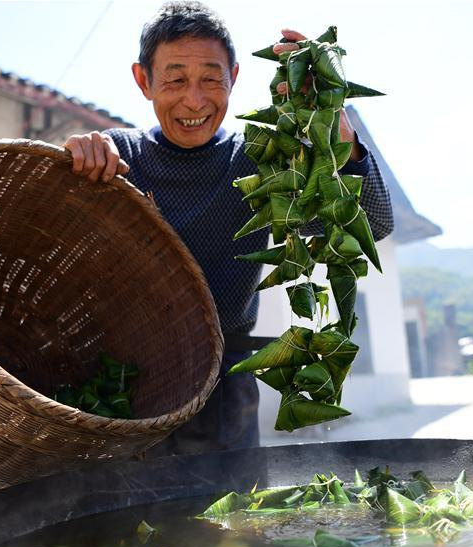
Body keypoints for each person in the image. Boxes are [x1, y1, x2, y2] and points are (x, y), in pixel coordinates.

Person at [64, 1, 394, 456]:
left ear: (234, 77)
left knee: (229, 523)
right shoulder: (119, 160)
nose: (194, 101)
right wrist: (77, 162)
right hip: (122, 394)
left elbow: (372, 224)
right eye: (176, 79)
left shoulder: (260, 163)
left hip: (223, 401)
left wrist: (334, 124)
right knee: (120, 523)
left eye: (211, 79)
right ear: (144, 81)